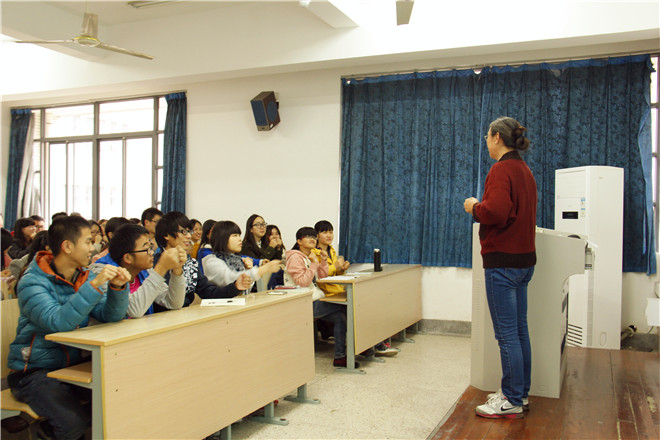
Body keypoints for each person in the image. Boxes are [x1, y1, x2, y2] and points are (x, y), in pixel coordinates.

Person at [6, 215, 130, 440]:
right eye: (88, 242)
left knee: (120, 399)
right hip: (34, 372)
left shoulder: (84, 276)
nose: (93, 248)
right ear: (67, 246)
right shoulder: (32, 282)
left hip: (74, 365)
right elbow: (58, 323)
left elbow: (109, 317)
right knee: (72, 422)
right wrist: (93, 286)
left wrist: (117, 288)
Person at [464, 116, 537, 419]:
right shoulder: (524, 170)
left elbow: (494, 212)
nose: (486, 141)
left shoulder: (501, 170)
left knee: (506, 335)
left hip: (502, 263)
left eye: (487, 136)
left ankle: (511, 399)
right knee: (519, 331)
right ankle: (520, 393)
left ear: (496, 137)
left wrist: (473, 207)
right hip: (523, 261)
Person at [313, 220, 399, 357]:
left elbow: (335, 273)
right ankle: (375, 345)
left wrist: (342, 269)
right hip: (327, 294)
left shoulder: (331, 250)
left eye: (331, 232)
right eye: (324, 232)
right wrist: (336, 267)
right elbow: (322, 274)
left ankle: (369, 344)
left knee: (364, 306)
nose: (329, 235)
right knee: (356, 309)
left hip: (338, 290)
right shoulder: (315, 253)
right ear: (316, 235)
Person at [284, 227, 356, 368]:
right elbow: (302, 283)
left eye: (313, 236)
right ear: (299, 241)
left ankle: (340, 357)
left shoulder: (310, 256)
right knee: (347, 306)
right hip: (302, 302)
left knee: (339, 317)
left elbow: (323, 278)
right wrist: (314, 264)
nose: (312, 239)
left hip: (314, 298)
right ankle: (363, 348)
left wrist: (322, 261)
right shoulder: (295, 257)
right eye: (307, 236)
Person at [152, 212, 250, 312]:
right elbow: (166, 303)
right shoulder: (156, 265)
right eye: (183, 232)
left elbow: (209, 293)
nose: (189, 236)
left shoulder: (190, 263)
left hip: (184, 315)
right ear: (166, 235)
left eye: (189, 231)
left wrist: (235, 287)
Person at [90, 223, 187, 318]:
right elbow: (133, 310)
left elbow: (174, 303)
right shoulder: (103, 272)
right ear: (128, 258)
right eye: (146, 249)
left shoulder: (144, 271)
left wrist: (177, 269)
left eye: (151, 247)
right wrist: (161, 268)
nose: (152, 252)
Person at [202, 220, 280, 291]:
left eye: (239, 235)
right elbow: (231, 279)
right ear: (223, 238)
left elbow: (246, 288)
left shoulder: (238, 260)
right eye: (235, 236)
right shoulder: (211, 261)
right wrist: (262, 270)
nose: (239, 239)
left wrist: (248, 269)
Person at [264, 224, 285, 289]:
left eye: (277, 234)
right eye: (271, 234)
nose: (275, 236)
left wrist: (278, 248)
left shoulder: (282, 249)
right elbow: (264, 261)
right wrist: (271, 247)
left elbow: (279, 262)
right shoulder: (264, 248)